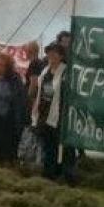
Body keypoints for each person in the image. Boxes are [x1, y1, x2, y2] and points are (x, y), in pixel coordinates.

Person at [31, 43, 76, 182]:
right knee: (48, 146)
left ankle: (63, 174)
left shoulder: (66, 72)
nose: (51, 56)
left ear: (61, 56)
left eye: (55, 53)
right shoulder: (45, 71)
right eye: (49, 53)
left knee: (61, 148)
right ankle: (48, 173)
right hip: (44, 114)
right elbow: (40, 92)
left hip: (59, 115)